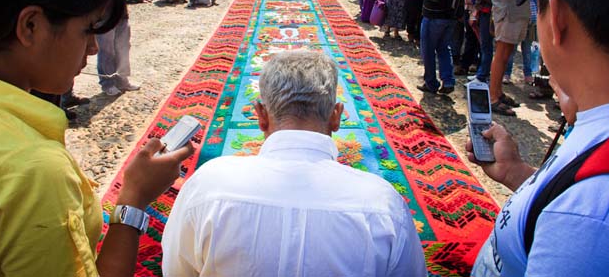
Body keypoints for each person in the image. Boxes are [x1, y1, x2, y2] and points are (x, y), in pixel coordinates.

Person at [0, 0, 195, 277]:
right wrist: (134, 198)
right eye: (87, 29)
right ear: (31, 26)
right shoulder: (32, 173)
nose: (92, 49)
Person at [162, 50, 427, 276]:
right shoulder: (383, 203)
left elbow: (176, 270)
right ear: (336, 117)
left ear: (260, 116)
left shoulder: (208, 185)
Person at [469, 0, 609, 277]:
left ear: (556, 18)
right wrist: (518, 173)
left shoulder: (590, 215)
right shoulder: (595, 132)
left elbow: (579, 211)